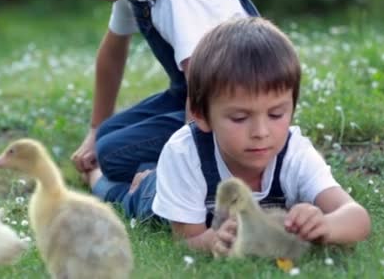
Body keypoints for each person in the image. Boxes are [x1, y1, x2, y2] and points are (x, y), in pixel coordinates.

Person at [38, 0, 260, 204]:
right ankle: (140, 171)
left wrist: (178, 168)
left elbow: (203, 86)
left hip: (232, 112)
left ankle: (128, 188)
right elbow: (111, 56)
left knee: (110, 154)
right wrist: (95, 130)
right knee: (105, 139)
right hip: (195, 99)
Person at [148, 16, 371, 254]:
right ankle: (128, 180)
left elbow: (357, 218)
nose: (261, 133)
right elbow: (185, 241)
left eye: (276, 114)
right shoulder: (185, 154)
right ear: (201, 114)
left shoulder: (294, 154)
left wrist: (325, 225)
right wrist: (213, 240)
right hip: (168, 189)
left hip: (184, 186)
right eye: (239, 118)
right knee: (134, 194)